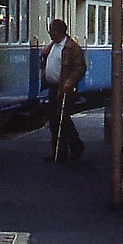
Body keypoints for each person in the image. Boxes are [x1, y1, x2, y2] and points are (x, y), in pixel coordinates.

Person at [41, 18, 86, 162]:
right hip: (53, 87)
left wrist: (70, 81)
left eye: (51, 29)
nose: (49, 32)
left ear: (58, 31)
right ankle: (59, 153)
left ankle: (75, 146)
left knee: (62, 119)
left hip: (65, 88)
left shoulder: (72, 48)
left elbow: (80, 67)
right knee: (54, 121)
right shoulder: (54, 46)